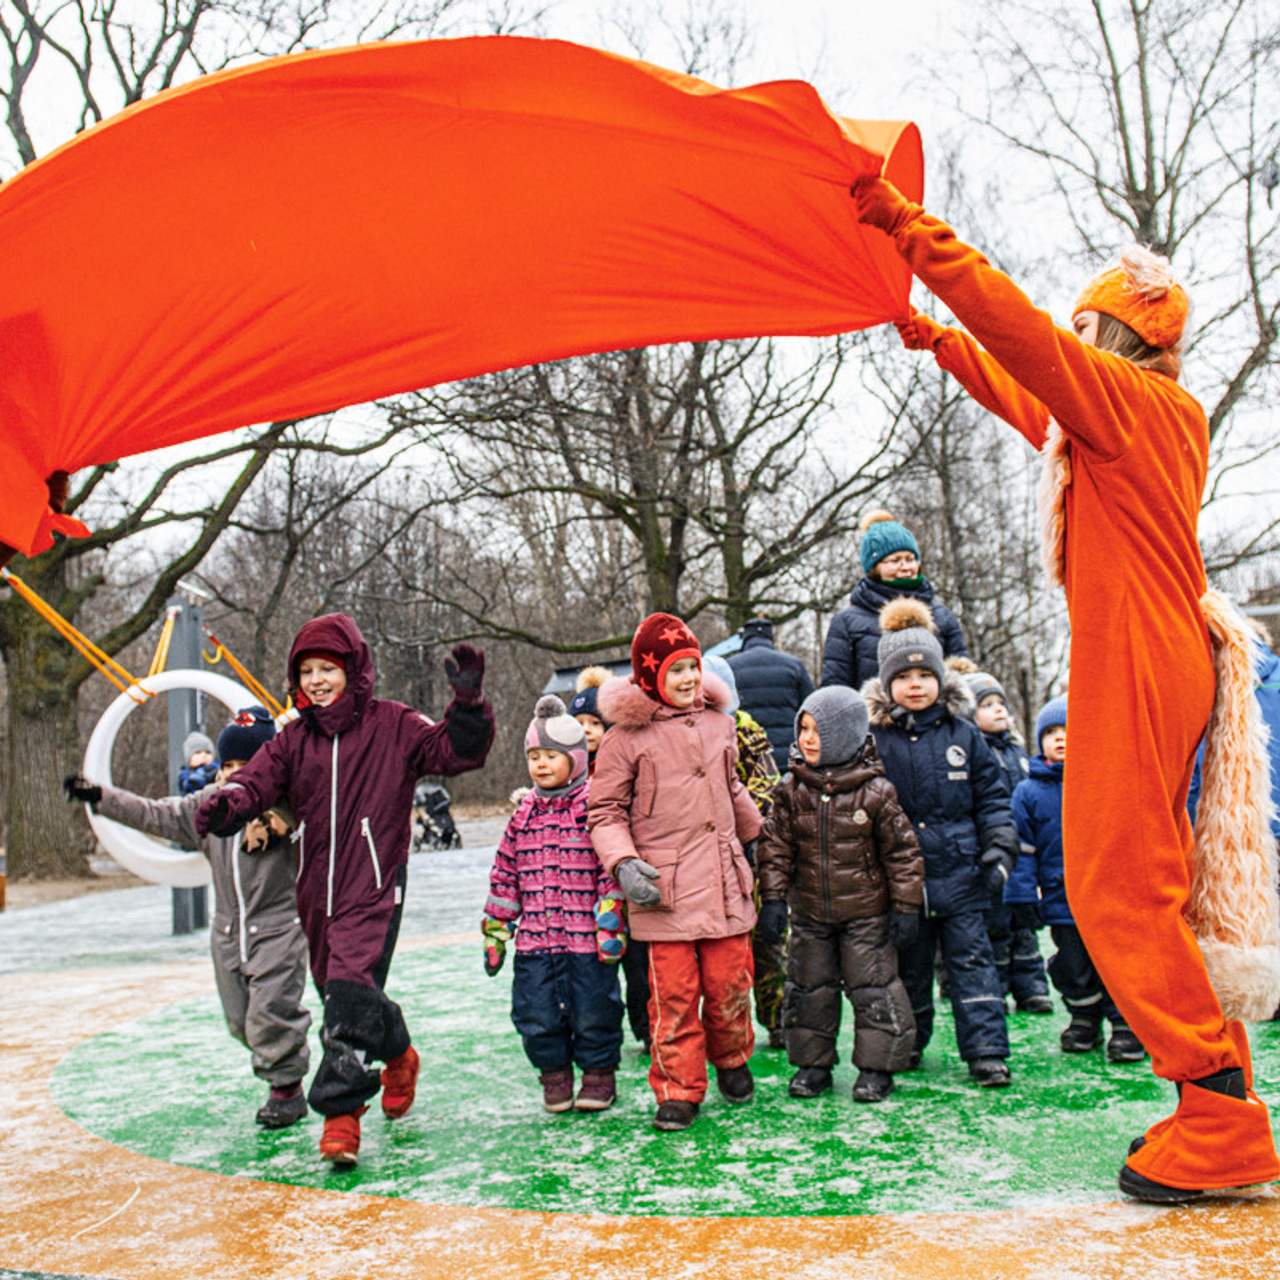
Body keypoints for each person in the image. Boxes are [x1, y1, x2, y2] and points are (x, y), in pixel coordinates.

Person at [852, 171, 1280, 1199]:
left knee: (1113, 888)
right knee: (1145, 884)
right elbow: (1026, 395)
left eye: (1085, 325)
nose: (1073, 338)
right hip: (1153, 652)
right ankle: (1218, 1098)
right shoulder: (1134, 414)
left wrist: (908, 228)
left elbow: (1020, 335)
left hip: (1141, 654)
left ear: (1114, 333)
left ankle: (1219, 1111)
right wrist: (933, 339)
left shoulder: (1134, 403)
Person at [195, 615, 494, 1167]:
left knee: (350, 992)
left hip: (374, 883)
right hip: (315, 890)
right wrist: (226, 805)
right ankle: (399, 1053)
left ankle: (340, 1115)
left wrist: (468, 705)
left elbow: (454, 752)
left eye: (327, 669)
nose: (316, 681)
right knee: (343, 995)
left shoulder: (393, 724)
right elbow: (254, 782)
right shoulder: (293, 740)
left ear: (352, 670)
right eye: (306, 671)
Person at [65, 706, 311, 1129]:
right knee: (240, 1021)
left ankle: (286, 1089)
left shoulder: (289, 804)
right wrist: (101, 797)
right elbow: (157, 813)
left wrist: (283, 818)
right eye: (228, 765)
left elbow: (322, 812)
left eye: (247, 764)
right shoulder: (210, 806)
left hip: (278, 929)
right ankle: (276, 1065)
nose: (236, 773)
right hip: (228, 931)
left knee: (272, 1011)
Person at [588, 612, 763, 1132]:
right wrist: (623, 862)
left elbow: (731, 786)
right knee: (674, 996)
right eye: (675, 670)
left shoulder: (719, 723)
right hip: (663, 887)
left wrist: (756, 836)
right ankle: (678, 1088)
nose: (688, 679)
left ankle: (731, 1056)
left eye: (692, 667)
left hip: (723, 879)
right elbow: (605, 812)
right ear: (650, 676)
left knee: (730, 982)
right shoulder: (625, 738)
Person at [864, 598, 1018, 1087]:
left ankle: (986, 1050)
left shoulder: (964, 736)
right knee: (908, 970)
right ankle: (910, 1042)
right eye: (904, 677)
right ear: (888, 683)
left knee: (973, 964)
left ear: (941, 679)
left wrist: (999, 851)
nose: (916, 685)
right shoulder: (874, 740)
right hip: (902, 884)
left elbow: (993, 799)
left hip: (962, 874)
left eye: (925, 676)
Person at [757, 685, 921, 1102]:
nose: (807, 739)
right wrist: (773, 899)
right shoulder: (790, 789)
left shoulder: (876, 791)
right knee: (809, 987)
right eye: (804, 729)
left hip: (866, 914)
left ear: (845, 735)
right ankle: (812, 1065)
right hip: (810, 913)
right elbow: (775, 848)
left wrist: (906, 906)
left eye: (818, 731)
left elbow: (902, 852)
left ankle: (877, 1067)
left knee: (874, 988)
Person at [482, 695, 625, 1113]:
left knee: (596, 1010)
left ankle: (598, 1075)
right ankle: (554, 1074)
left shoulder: (593, 807)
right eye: (534, 757)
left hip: (586, 941)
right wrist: (497, 928)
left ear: (576, 759)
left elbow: (608, 866)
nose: (541, 765)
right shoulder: (523, 814)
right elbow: (505, 872)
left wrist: (611, 920)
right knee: (536, 1013)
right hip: (536, 944)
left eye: (550, 756)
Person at [1008, 696, 1145, 1063]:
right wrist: (1021, 895)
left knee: (1116, 964)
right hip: (1061, 897)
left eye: (1069, 730)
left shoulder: (1108, 783)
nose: (1060, 738)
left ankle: (1125, 1024)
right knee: (1072, 963)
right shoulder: (1028, 792)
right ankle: (1084, 1018)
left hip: (1110, 897)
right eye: (1051, 732)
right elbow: (1022, 849)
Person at [959, 662, 1051, 1015]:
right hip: (991, 852)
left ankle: (1032, 987)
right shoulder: (972, 752)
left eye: (1001, 703)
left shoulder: (1018, 753)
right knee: (994, 925)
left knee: (1023, 923)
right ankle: (993, 987)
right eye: (987, 705)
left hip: (1022, 853)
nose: (999, 710)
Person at [569, 664, 652, 1051]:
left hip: (622, 881)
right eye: (579, 724)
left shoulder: (621, 766)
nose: (587, 731)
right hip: (583, 884)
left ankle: (646, 1025)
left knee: (637, 962)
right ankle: (597, 1031)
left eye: (595, 723)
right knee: (594, 967)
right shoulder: (566, 775)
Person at [705, 653, 786, 1049]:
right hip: (703, 861)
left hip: (751, 855)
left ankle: (779, 1017)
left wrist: (741, 827)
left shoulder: (747, 735)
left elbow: (767, 790)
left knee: (768, 945)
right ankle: (720, 1029)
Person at [820, 509, 967, 691]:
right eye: (895, 561)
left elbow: (961, 681)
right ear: (874, 567)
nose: (905, 567)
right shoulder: (846, 622)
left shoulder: (943, 615)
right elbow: (835, 686)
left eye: (910, 559)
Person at [725, 617, 815, 771]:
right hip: (789, 755)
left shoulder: (729, 667)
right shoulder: (794, 666)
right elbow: (811, 708)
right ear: (771, 639)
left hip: (748, 757)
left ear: (745, 639)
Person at [177, 729, 219, 795]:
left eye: (208, 752)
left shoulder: (218, 770)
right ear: (189, 758)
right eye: (198, 753)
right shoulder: (184, 776)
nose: (203, 756)